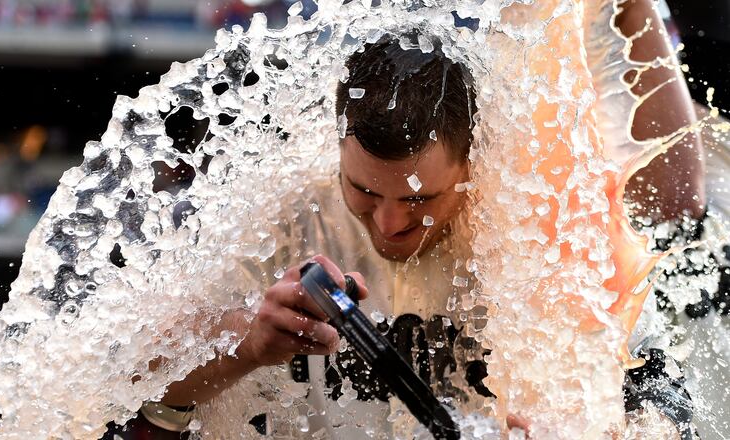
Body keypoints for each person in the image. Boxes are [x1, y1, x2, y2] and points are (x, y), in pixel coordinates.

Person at [140, 1, 705, 438]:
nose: (388, 224)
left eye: (420, 200)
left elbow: (662, 398)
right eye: (361, 190)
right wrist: (248, 342)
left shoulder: (535, 219)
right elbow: (135, 400)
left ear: (471, 165)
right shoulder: (283, 213)